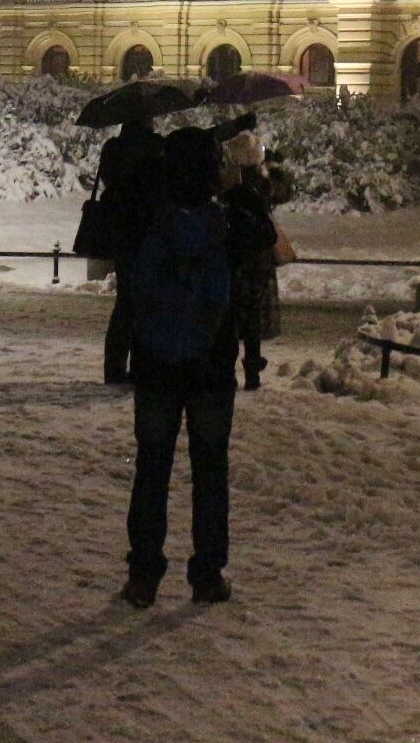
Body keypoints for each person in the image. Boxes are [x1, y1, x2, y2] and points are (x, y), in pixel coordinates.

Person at [120, 124, 272, 609]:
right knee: (209, 470)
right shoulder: (227, 224)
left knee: (151, 468)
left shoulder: (148, 219)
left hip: (155, 364)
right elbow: (265, 234)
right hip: (210, 366)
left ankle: (143, 575)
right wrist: (238, 186)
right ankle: (207, 574)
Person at [92, 112, 166, 384]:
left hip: (121, 231)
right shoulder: (155, 148)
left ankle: (114, 368)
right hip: (147, 231)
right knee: (144, 303)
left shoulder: (113, 148)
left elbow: (109, 182)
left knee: (125, 302)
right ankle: (139, 365)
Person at [220, 130, 282, 392]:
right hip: (258, 262)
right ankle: (252, 370)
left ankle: (228, 372)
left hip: (236, 262)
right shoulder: (262, 186)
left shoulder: (231, 189)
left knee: (232, 318)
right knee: (253, 319)